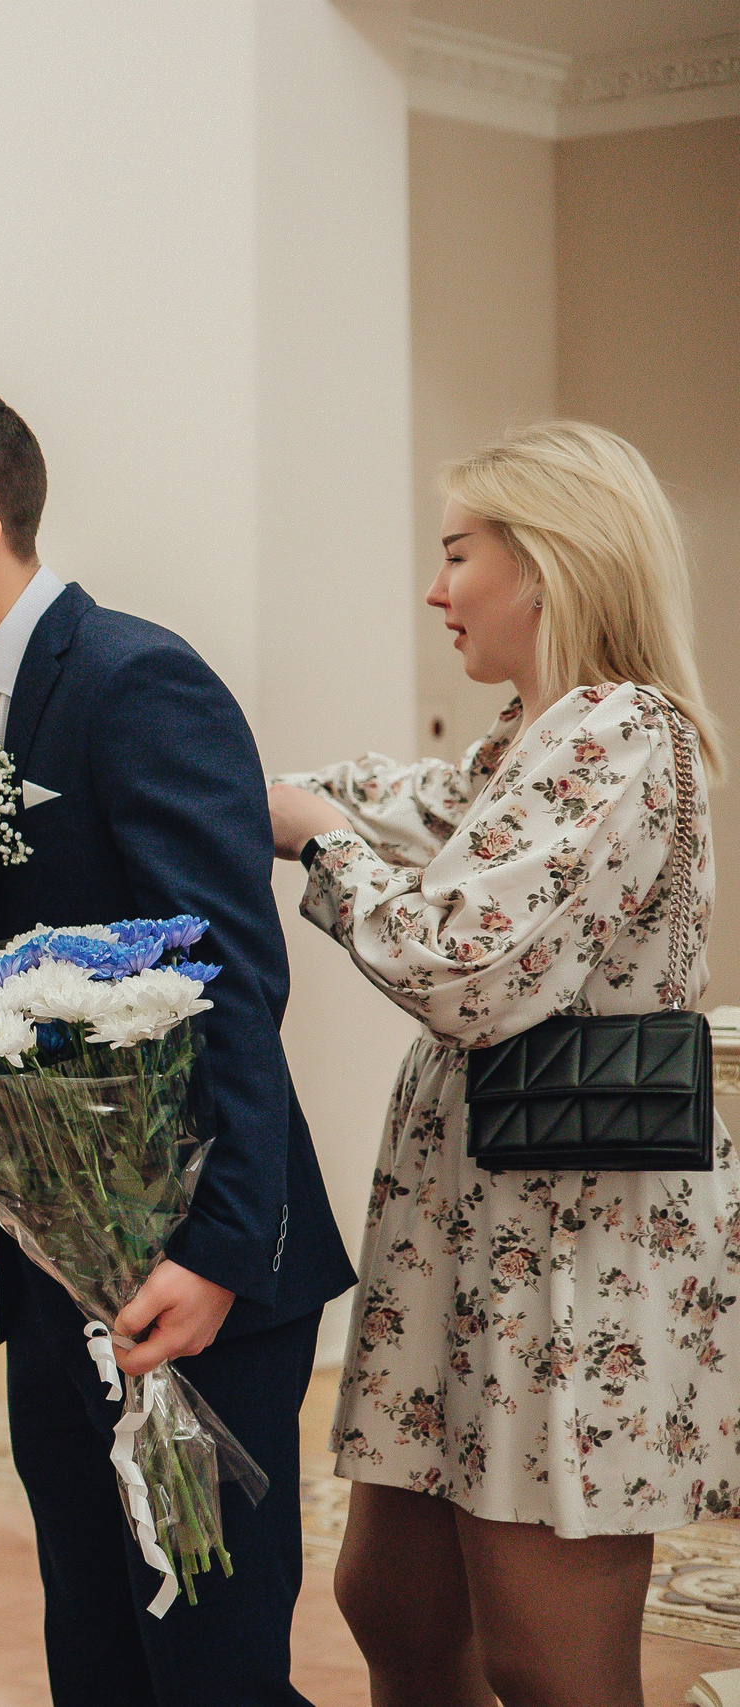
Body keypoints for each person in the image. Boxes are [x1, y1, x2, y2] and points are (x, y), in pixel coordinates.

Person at [0, 384, 356, 1705]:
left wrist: (215, 1252)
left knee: (211, 1668)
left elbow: (231, 974)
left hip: (198, 1259)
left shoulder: (133, 678)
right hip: (48, 1260)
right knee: (96, 1651)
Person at [267, 420, 731, 1707]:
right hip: (474, 1231)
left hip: (565, 1240)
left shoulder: (618, 729)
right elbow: (397, 806)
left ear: (547, 561)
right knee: (394, 1601)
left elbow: (463, 972)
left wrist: (320, 846)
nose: (436, 590)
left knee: (547, 1659)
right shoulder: (529, 736)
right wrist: (226, 786)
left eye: (456, 554)